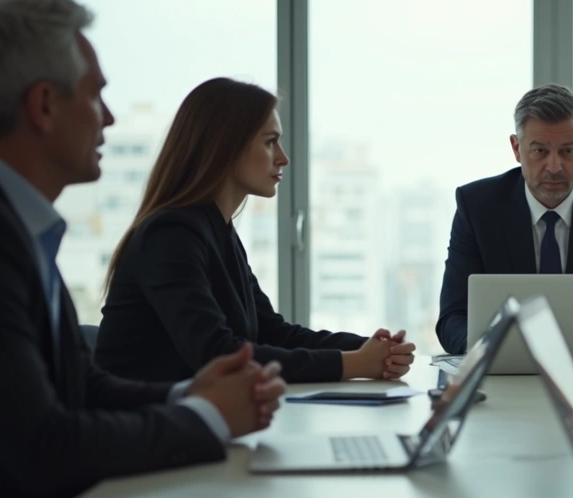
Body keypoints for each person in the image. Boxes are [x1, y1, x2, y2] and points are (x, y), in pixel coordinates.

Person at [0, 0, 286, 498]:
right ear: (44, 106)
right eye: (95, 95)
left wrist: (190, 394)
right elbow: (44, 445)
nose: (109, 118)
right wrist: (208, 416)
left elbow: (82, 386)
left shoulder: (5, 219)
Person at [95, 77, 415, 384]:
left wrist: (369, 348)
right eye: (270, 142)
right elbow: (218, 354)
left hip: (191, 413)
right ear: (225, 147)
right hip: (142, 417)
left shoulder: (218, 231)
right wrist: (355, 363)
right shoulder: (170, 235)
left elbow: (272, 333)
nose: (283, 158)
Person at [435, 84, 573, 357]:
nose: (554, 167)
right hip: (500, 371)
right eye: (540, 151)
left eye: (567, 151)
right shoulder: (478, 207)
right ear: (517, 148)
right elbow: (453, 317)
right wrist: (488, 352)